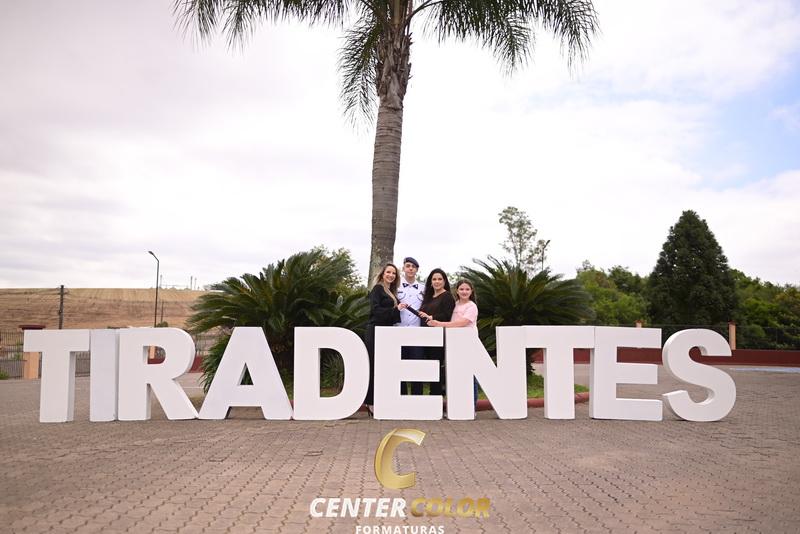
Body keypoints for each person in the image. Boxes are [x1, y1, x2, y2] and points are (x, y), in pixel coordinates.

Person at [428, 279, 480, 406]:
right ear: (457, 291)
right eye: (461, 289)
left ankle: (471, 406)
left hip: (468, 343)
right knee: (457, 375)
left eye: (467, 289)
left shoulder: (472, 306)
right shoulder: (455, 305)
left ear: (471, 291)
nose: (464, 291)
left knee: (470, 375)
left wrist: (439, 324)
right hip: (455, 344)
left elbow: (462, 323)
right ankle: (458, 406)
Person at [364, 263, 402, 415]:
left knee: (384, 367)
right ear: (382, 274)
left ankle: (381, 399)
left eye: (393, 273)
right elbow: (375, 310)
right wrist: (395, 309)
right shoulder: (378, 289)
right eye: (388, 272)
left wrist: (398, 309)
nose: (391, 275)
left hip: (386, 333)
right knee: (373, 366)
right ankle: (370, 402)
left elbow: (392, 315)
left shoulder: (391, 291)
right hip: (375, 331)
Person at [418, 268, 455, 397]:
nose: (437, 281)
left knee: (436, 368)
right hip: (426, 337)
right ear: (430, 281)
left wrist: (431, 317)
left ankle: (436, 397)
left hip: (439, 338)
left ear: (444, 281)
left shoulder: (447, 296)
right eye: (434, 279)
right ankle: (430, 397)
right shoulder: (428, 297)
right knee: (428, 368)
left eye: (440, 279)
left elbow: (448, 316)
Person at [395, 257, 425, 395]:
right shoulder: (395, 286)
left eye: (413, 266)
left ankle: (417, 397)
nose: (410, 268)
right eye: (408, 266)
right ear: (403, 268)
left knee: (417, 367)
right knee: (399, 366)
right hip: (398, 331)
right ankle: (401, 397)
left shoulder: (424, 288)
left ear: (417, 269)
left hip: (417, 333)